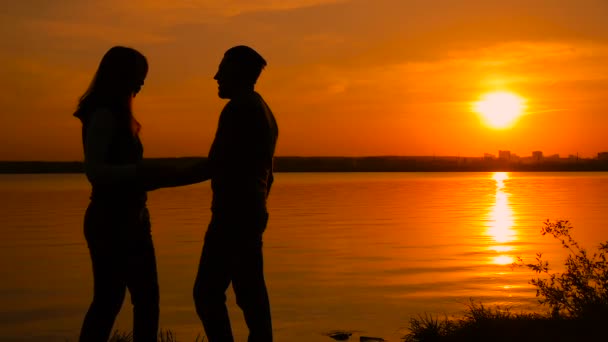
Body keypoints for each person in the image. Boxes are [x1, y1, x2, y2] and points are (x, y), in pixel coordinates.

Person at [74, 46, 207, 342]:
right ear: (120, 75)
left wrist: (184, 171)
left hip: (132, 219)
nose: (142, 83)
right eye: (139, 76)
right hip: (110, 220)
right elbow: (95, 171)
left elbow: (134, 171)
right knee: (113, 300)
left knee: (141, 298)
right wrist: (140, 174)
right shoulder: (104, 116)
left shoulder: (121, 116)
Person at [193, 45, 278, 342]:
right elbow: (270, 175)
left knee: (207, 293)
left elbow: (215, 165)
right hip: (252, 211)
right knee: (251, 291)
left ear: (238, 73)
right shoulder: (264, 110)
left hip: (233, 215)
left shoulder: (238, 108)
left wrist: (150, 178)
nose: (216, 76)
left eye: (223, 69)